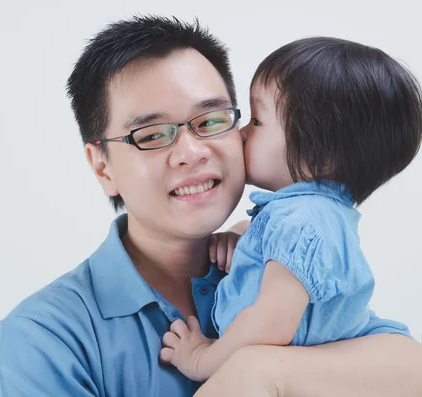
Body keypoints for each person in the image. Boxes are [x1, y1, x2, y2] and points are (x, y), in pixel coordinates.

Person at [0, 16, 422, 396]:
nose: (192, 152)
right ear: (103, 166)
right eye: (152, 134)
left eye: (211, 121)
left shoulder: (267, 257)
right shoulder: (43, 340)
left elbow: (405, 361)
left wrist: (265, 371)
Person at [159, 36, 422, 383]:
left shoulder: (303, 221)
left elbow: (271, 325)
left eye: (257, 121)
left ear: (317, 156)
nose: (240, 133)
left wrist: (201, 359)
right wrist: (243, 236)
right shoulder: (313, 216)